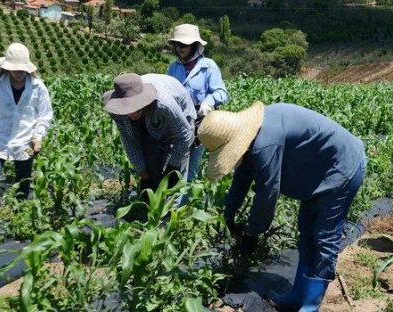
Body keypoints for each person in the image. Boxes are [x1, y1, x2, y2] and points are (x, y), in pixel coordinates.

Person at [197, 102, 366, 312]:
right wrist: (229, 215)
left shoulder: (264, 144)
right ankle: (297, 294)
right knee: (306, 232)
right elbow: (241, 179)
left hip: (342, 167)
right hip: (316, 174)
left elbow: (267, 194)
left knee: (324, 237)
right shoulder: (251, 137)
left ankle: (311, 305)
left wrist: (252, 233)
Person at [102, 73, 196, 203]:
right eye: (126, 107)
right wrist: (144, 177)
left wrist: (172, 168)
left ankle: (172, 213)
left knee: (174, 182)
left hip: (179, 118)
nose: (131, 112)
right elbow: (130, 142)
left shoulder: (164, 105)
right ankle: (153, 203)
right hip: (149, 121)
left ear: (143, 101)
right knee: (152, 168)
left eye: (134, 106)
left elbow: (184, 136)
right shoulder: (117, 111)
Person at [167, 24, 229, 182]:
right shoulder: (173, 68)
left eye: (185, 44)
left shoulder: (208, 66)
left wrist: (208, 102)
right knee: (174, 168)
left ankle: (187, 203)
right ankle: (174, 202)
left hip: (199, 123)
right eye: (177, 44)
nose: (180, 48)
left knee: (190, 169)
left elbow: (222, 92)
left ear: (195, 45)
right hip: (176, 122)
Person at [0, 43, 53, 200]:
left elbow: (44, 114)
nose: (20, 72)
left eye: (22, 69)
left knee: (22, 187)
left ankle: (20, 216)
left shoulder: (38, 87)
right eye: (16, 69)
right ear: (8, 68)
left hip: (25, 142)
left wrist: (38, 137)